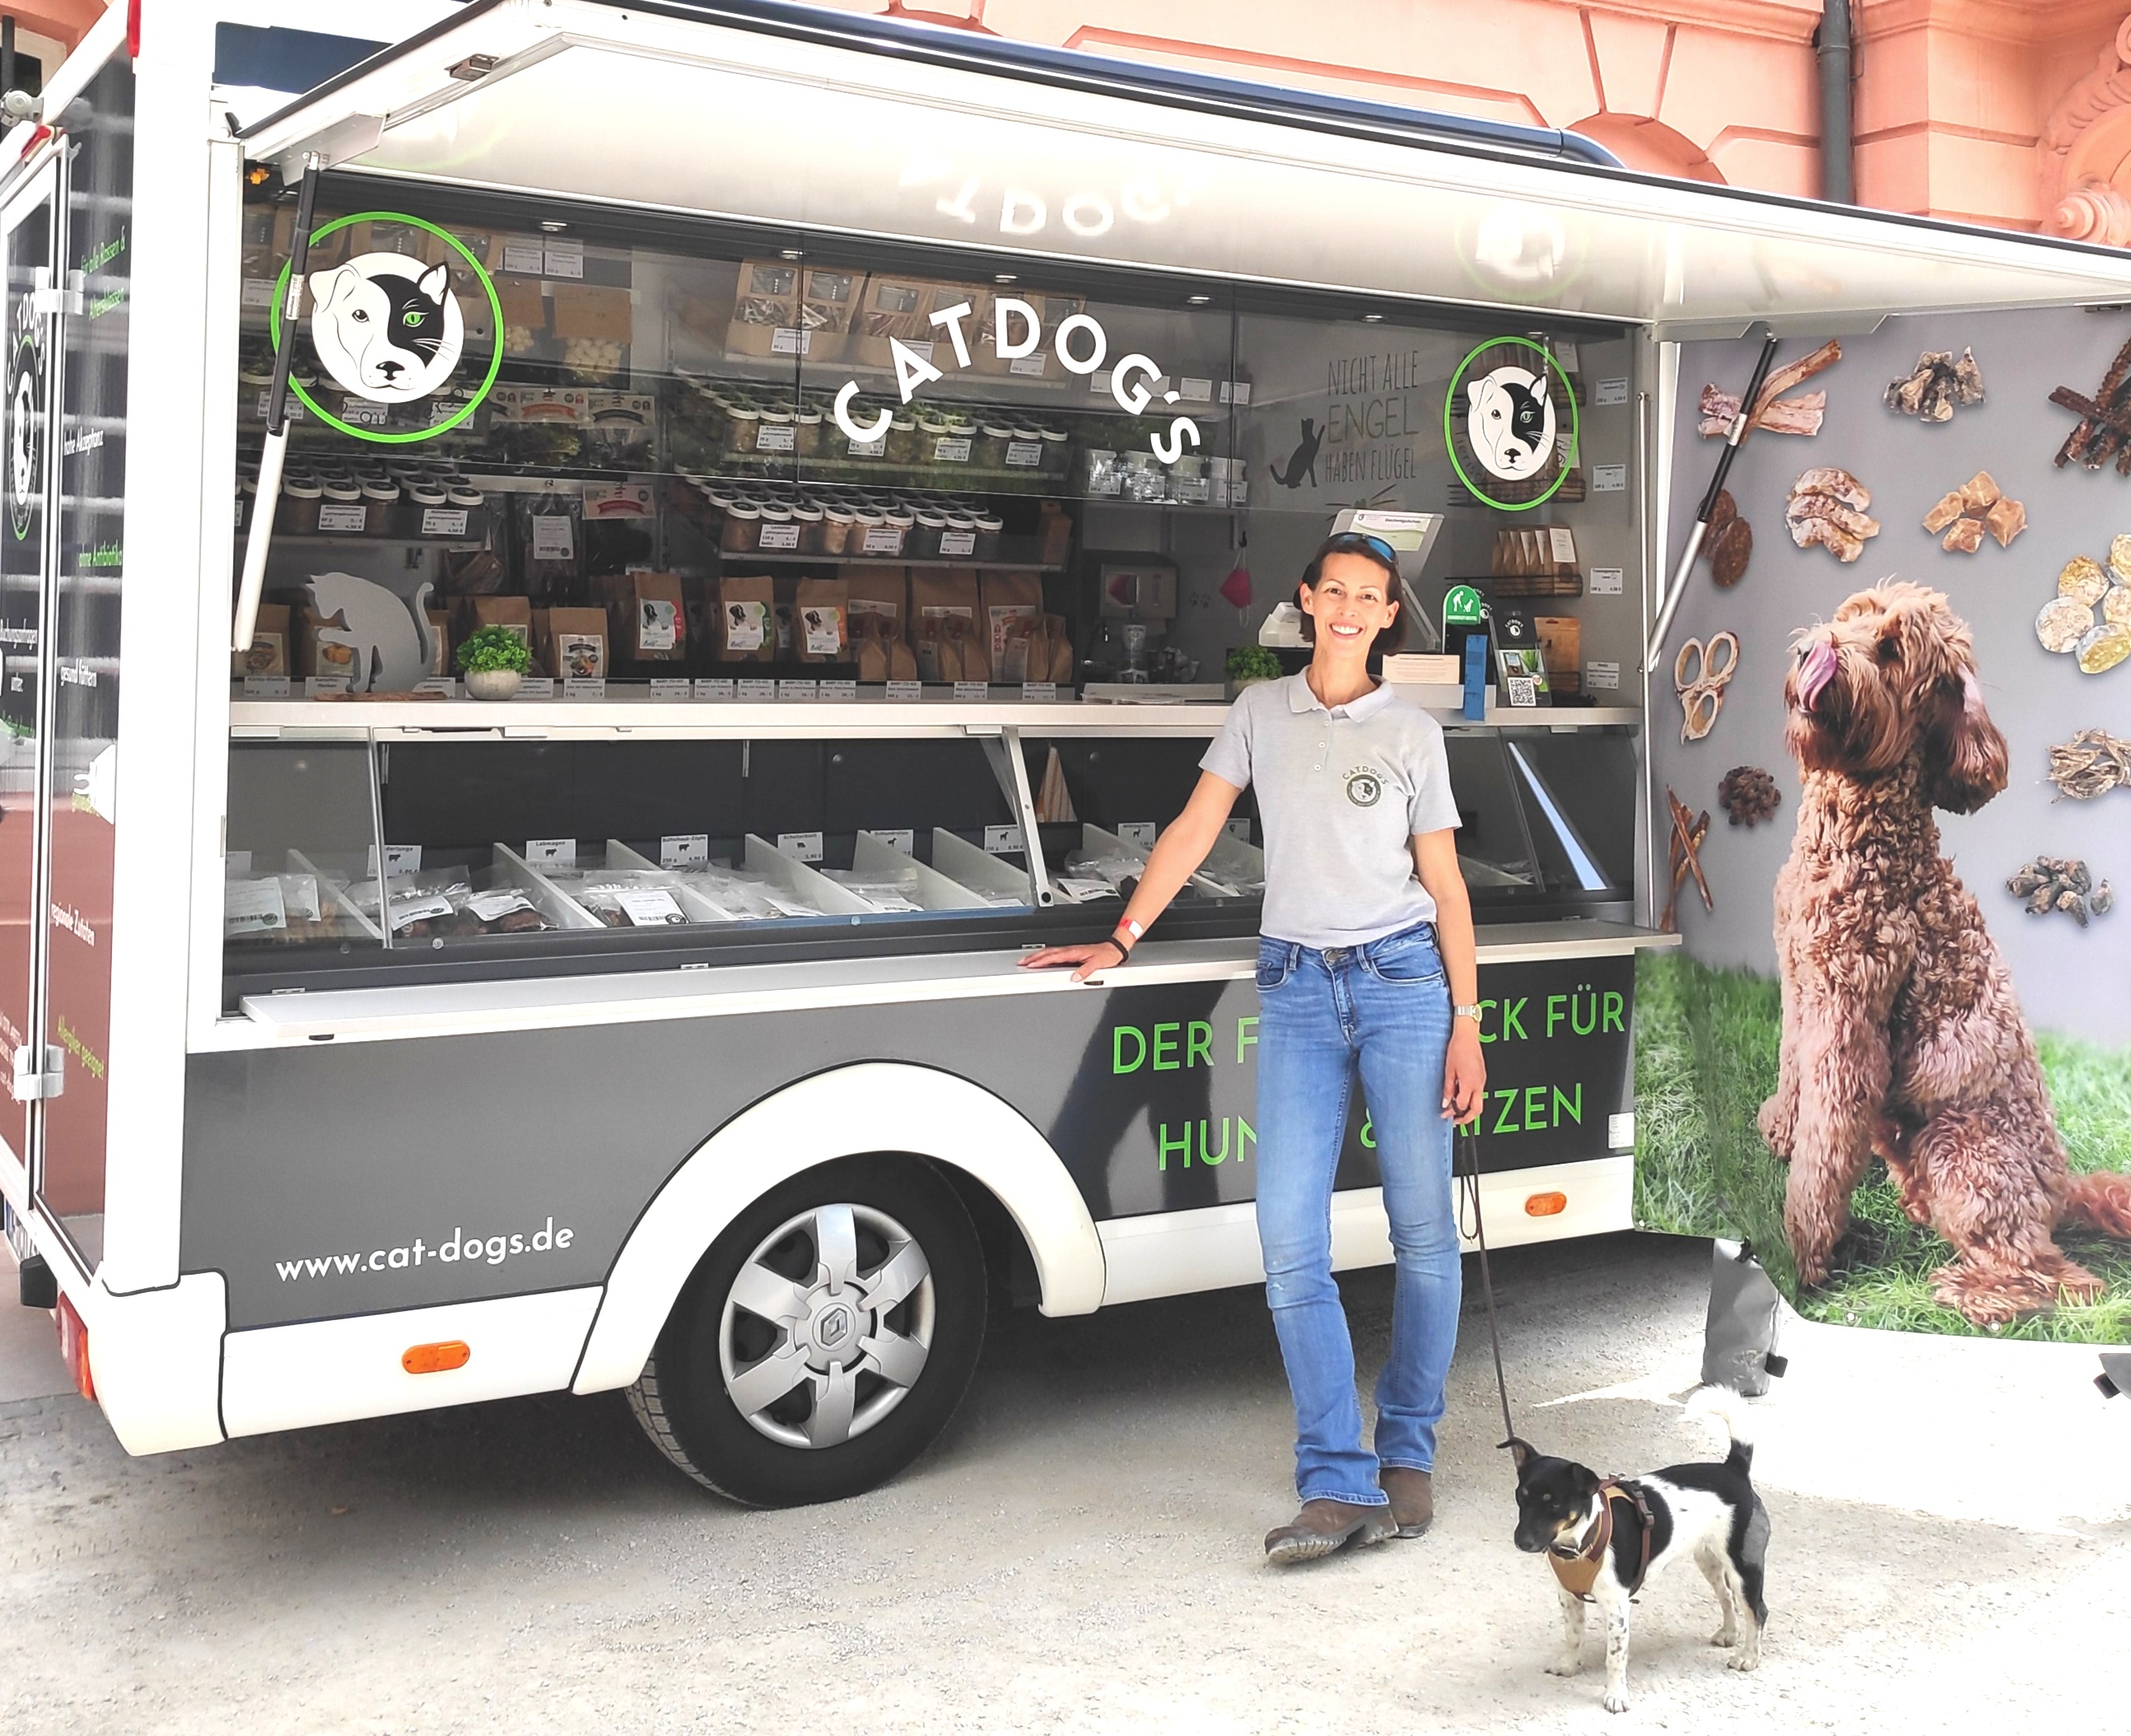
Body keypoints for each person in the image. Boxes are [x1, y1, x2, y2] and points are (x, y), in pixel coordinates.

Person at [1021, 531, 1485, 1564]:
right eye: (1336, 591)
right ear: (1306, 599)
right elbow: (1192, 828)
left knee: (1421, 1232)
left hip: (1405, 982)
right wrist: (1119, 934)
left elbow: (1447, 892)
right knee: (1289, 1243)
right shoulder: (1256, 713)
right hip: (1296, 989)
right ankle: (1335, 1477)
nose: (1351, 608)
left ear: (1385, 614)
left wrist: (1467, 1023)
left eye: (1371, 596)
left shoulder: (1411, 731)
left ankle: (1405, 1450)